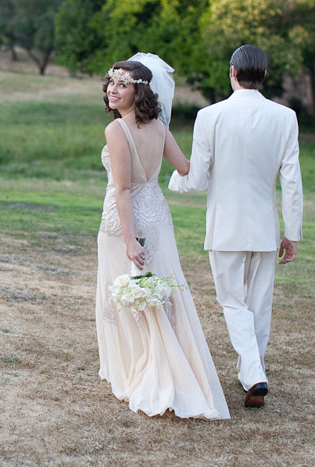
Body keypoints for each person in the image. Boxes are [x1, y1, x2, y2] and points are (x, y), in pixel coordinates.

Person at [168, 45, 303, 408]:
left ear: (232, 72)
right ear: (263, 75)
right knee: (259, 304)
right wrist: (292, 231)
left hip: (225, 226)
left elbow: (195, 179)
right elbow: (292, 180)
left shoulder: (210, 115)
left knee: (233, 301)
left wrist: (172, 181)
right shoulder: (285, 116)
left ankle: (255, 374)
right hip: (264, 227)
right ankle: (252, 375)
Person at [95, 58, 230, 420]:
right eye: (111, 82)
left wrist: (128, 241)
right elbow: (186, 168)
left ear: (138, 90)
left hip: (124, 222)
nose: (113, 89)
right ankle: (168, 364)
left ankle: (140, 369)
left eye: (122, 84)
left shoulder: (117, 131)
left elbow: (123, 190)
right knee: (161, 294)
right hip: (159, 217)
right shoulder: (160, 127)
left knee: (129, 292)